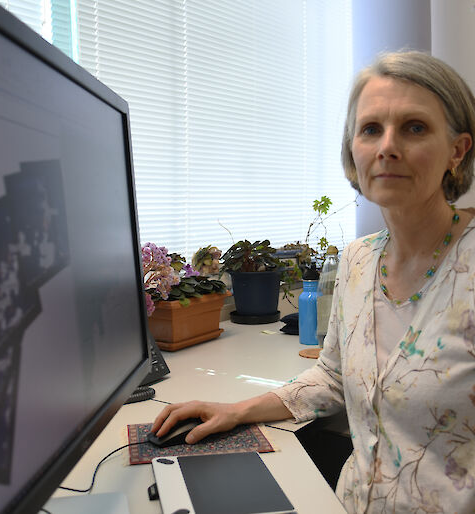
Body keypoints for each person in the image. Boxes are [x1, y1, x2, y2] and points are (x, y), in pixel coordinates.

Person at [151, 50, 475, 513]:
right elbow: (334, 376)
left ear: (457, 150)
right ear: (353, 151)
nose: (387, 146)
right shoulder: (360, 260)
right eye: (370, 130)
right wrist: (235, 411)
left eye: (414, 127)